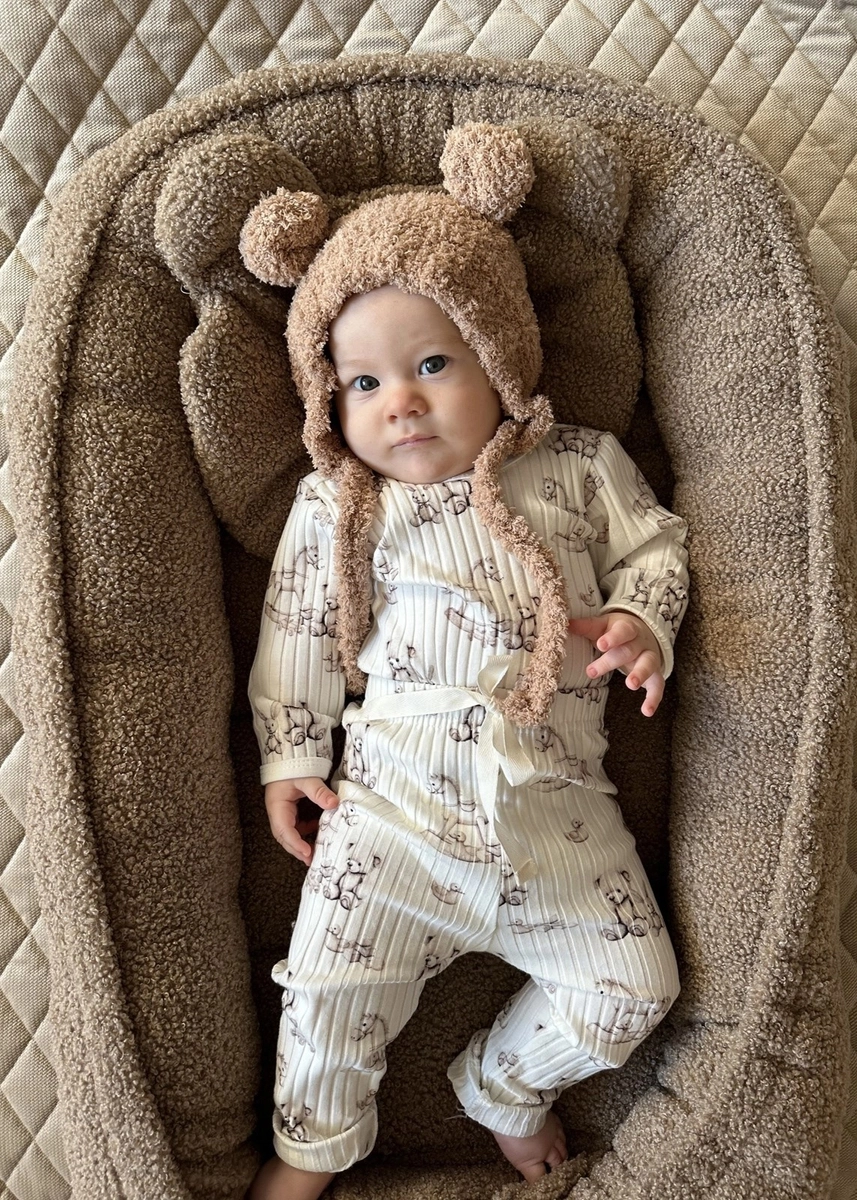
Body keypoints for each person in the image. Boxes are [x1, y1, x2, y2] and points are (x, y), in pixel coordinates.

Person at [241, 123, 689, 1200]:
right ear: (328, 401)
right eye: (362, 383)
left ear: (498, 355)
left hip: (558, 818)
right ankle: (306, 1155)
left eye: (432, 365)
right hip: (390, 818)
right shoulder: (338, 504)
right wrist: (290, 755)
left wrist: (639, 618)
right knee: (324, 995)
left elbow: (657, 547)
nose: (398, 401)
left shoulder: (577, 464)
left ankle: (500, 1084)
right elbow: (295, 627)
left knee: (636, 988)